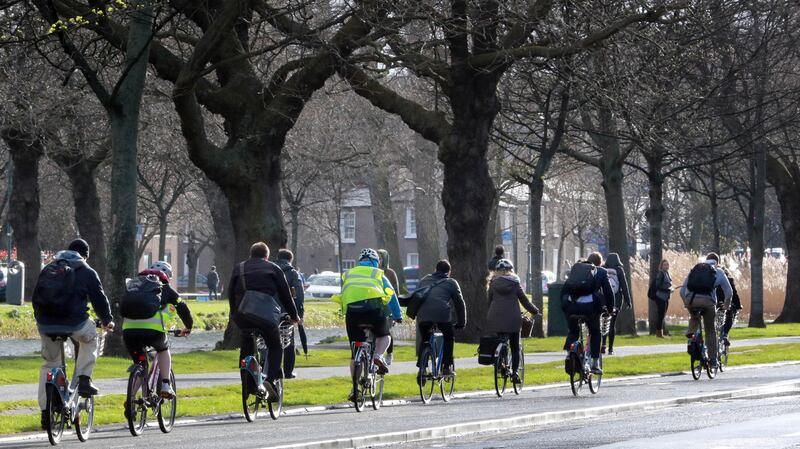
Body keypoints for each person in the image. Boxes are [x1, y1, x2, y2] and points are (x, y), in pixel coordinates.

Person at [32, 238, 114, 430]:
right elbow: (99, 300)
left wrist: (42, 321)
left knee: (49, 365)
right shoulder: (87, 271)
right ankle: (84, 379)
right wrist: (107, 320)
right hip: (75, 323)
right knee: (91, 337)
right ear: (85, 255)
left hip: (46, 324)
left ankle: (46, 412)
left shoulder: (49, 269)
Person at [228, 242, 299, 400]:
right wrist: (294, 316)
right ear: (267, 257)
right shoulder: (274, 268)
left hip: (242, 314)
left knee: (246, 347)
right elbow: (286, 296)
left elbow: (230, 293)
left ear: (250, 255)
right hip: (264, 315)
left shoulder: (239, 268)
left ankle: (246, 383)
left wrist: (234, 314)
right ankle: (270, 380)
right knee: (275, 346)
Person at [332, 248, 401, 399]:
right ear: (376, 262)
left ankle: (354, 389)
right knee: (385, 336)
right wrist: (397, 315)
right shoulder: (378, 274)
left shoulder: (349, 274)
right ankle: (377, 355)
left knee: (355, 352)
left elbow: (344, 294)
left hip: (353, 315)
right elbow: (391, 295)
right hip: (373, 312)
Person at [122, 261, 193, 401]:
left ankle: (130, 400)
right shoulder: (165, 288)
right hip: (153, 331)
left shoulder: (133, 285)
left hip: (129, 331)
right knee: (163, 349)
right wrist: (188, 326)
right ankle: (166, 384)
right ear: (166, 276)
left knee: (140, 364)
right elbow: (182, 307)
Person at [562, 253, 615, 374]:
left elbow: (564, 291)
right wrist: (610, 309)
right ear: (600, 263)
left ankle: (570, 355)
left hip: (572, 307)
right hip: (589, 308)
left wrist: (565, 308)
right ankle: (595, 363)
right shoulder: (601, 272)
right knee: (595, 331)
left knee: (574, 331)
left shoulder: (575, 270)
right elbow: (608, 292)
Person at [487, 259, 539, 381]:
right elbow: (524, 301)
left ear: (497, 271)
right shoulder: (515, 283)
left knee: (500, 339)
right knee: (515, 347)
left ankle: (500, 364)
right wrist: (535, 311)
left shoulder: (493, 283)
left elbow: (489, 301)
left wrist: (490, 314)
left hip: (495, 318)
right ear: (511, 270)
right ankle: (515, 373)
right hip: (512, 319)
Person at [680, 252, 733, 368]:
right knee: (710, 330)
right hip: (708, 302)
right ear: (717, 263)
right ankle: (713, 360)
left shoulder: (695, 269)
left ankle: (691, 336)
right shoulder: (718, 271)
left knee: (694, 317)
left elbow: (681, 291)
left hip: (691, 300)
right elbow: (729, 293)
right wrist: (726, 306)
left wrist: (686, 304)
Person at [415, 260, 466, 376]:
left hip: (423, 315)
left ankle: (421, 368)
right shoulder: (451, 282)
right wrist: (461, 322)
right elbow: (459, 303)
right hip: (442, 315)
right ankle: (446, 367)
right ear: (449, 272)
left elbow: (416, 296)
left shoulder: (424, 280)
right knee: (448, 337)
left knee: (425, 339)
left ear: (435, 270)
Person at [276, 249, 305, 379]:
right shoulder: (293, 273)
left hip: (271, 310)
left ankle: (271, 368)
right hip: (287, 311)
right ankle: (288, 372)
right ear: (290, 260)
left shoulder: (271, 270)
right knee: (288, 341)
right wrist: (299, 312)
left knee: (269, 340)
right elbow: (299, 293)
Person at [601, 253, 632, 354]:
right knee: (612, 324)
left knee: (604, 322)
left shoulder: (602, 269)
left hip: (604, 300)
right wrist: (628, 301)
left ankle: (603, 345)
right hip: (616, 301)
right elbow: (624, 286)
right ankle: (610, 349)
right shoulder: (619, 270)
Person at [707, 254, 742, 343]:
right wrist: (738, 305)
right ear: (717, 262)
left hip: (709, 303)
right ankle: (724, 334)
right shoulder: (723, 272)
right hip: (723, 302)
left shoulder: (701, 272)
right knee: (730, 313)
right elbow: (732, 292)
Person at [377, 249, 399, 365]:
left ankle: (389, 354)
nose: (378, 261)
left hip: (388, 306)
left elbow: (395, 291)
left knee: (387, 331)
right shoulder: (373, 272)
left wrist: (396, 311)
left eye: (380, 258)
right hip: (376, 305)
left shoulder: (390, 273)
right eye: (377, 258)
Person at [649, 259, 673, 338]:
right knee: (661, 315)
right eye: (665, 265)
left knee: (662, 315)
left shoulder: (667, 273)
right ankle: (659, 334)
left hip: (665, 297)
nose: (666, 266)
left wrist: (671, 288)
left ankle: (660, 333)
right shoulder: (661, 274)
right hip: (660, 297)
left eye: (667, 265)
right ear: (661, 266)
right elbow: (658, 286)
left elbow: (666, 285)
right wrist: (668, 289)